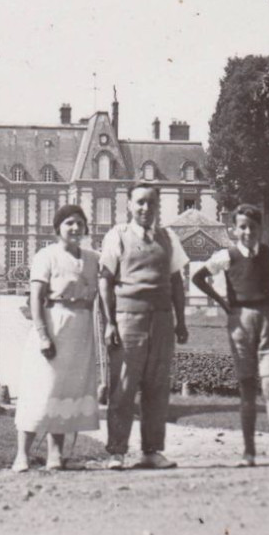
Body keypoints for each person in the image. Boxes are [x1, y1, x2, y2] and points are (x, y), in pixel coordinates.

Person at [193, 203, 269, 468]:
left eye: (253, 227)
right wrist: (223, 303)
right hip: (240, 323)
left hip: (268, 320)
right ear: (234, 230)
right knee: (247, 388)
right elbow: (198, 278)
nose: (248, 232)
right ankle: (249, 453)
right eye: (242, 227)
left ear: (261, 229)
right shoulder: (227, 256)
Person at [97, 182, 189, 469]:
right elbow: (105, 281)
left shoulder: (169, 237)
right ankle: (117, 452)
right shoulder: (117, 236)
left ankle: (151, 451)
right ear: (129, 205)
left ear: (158, 206)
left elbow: (176, 282)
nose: (145, 208)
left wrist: (181, 321)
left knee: (157, 387)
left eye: (151, 203)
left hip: (161, 320)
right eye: (140, 203)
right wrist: (110, 323)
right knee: (123, 387)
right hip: (128, 319)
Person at [11, 204, 101, 472]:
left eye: (79, 223)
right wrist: (43, 336)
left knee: (66, 391)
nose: (75, 228)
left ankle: (55, 456)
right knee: (42, 390)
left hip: (81, 329)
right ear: (58, 228)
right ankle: (22, 455)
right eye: (69, 223)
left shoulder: (93, 257)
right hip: (53, 324)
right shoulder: (46, 256)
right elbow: (36, 298)